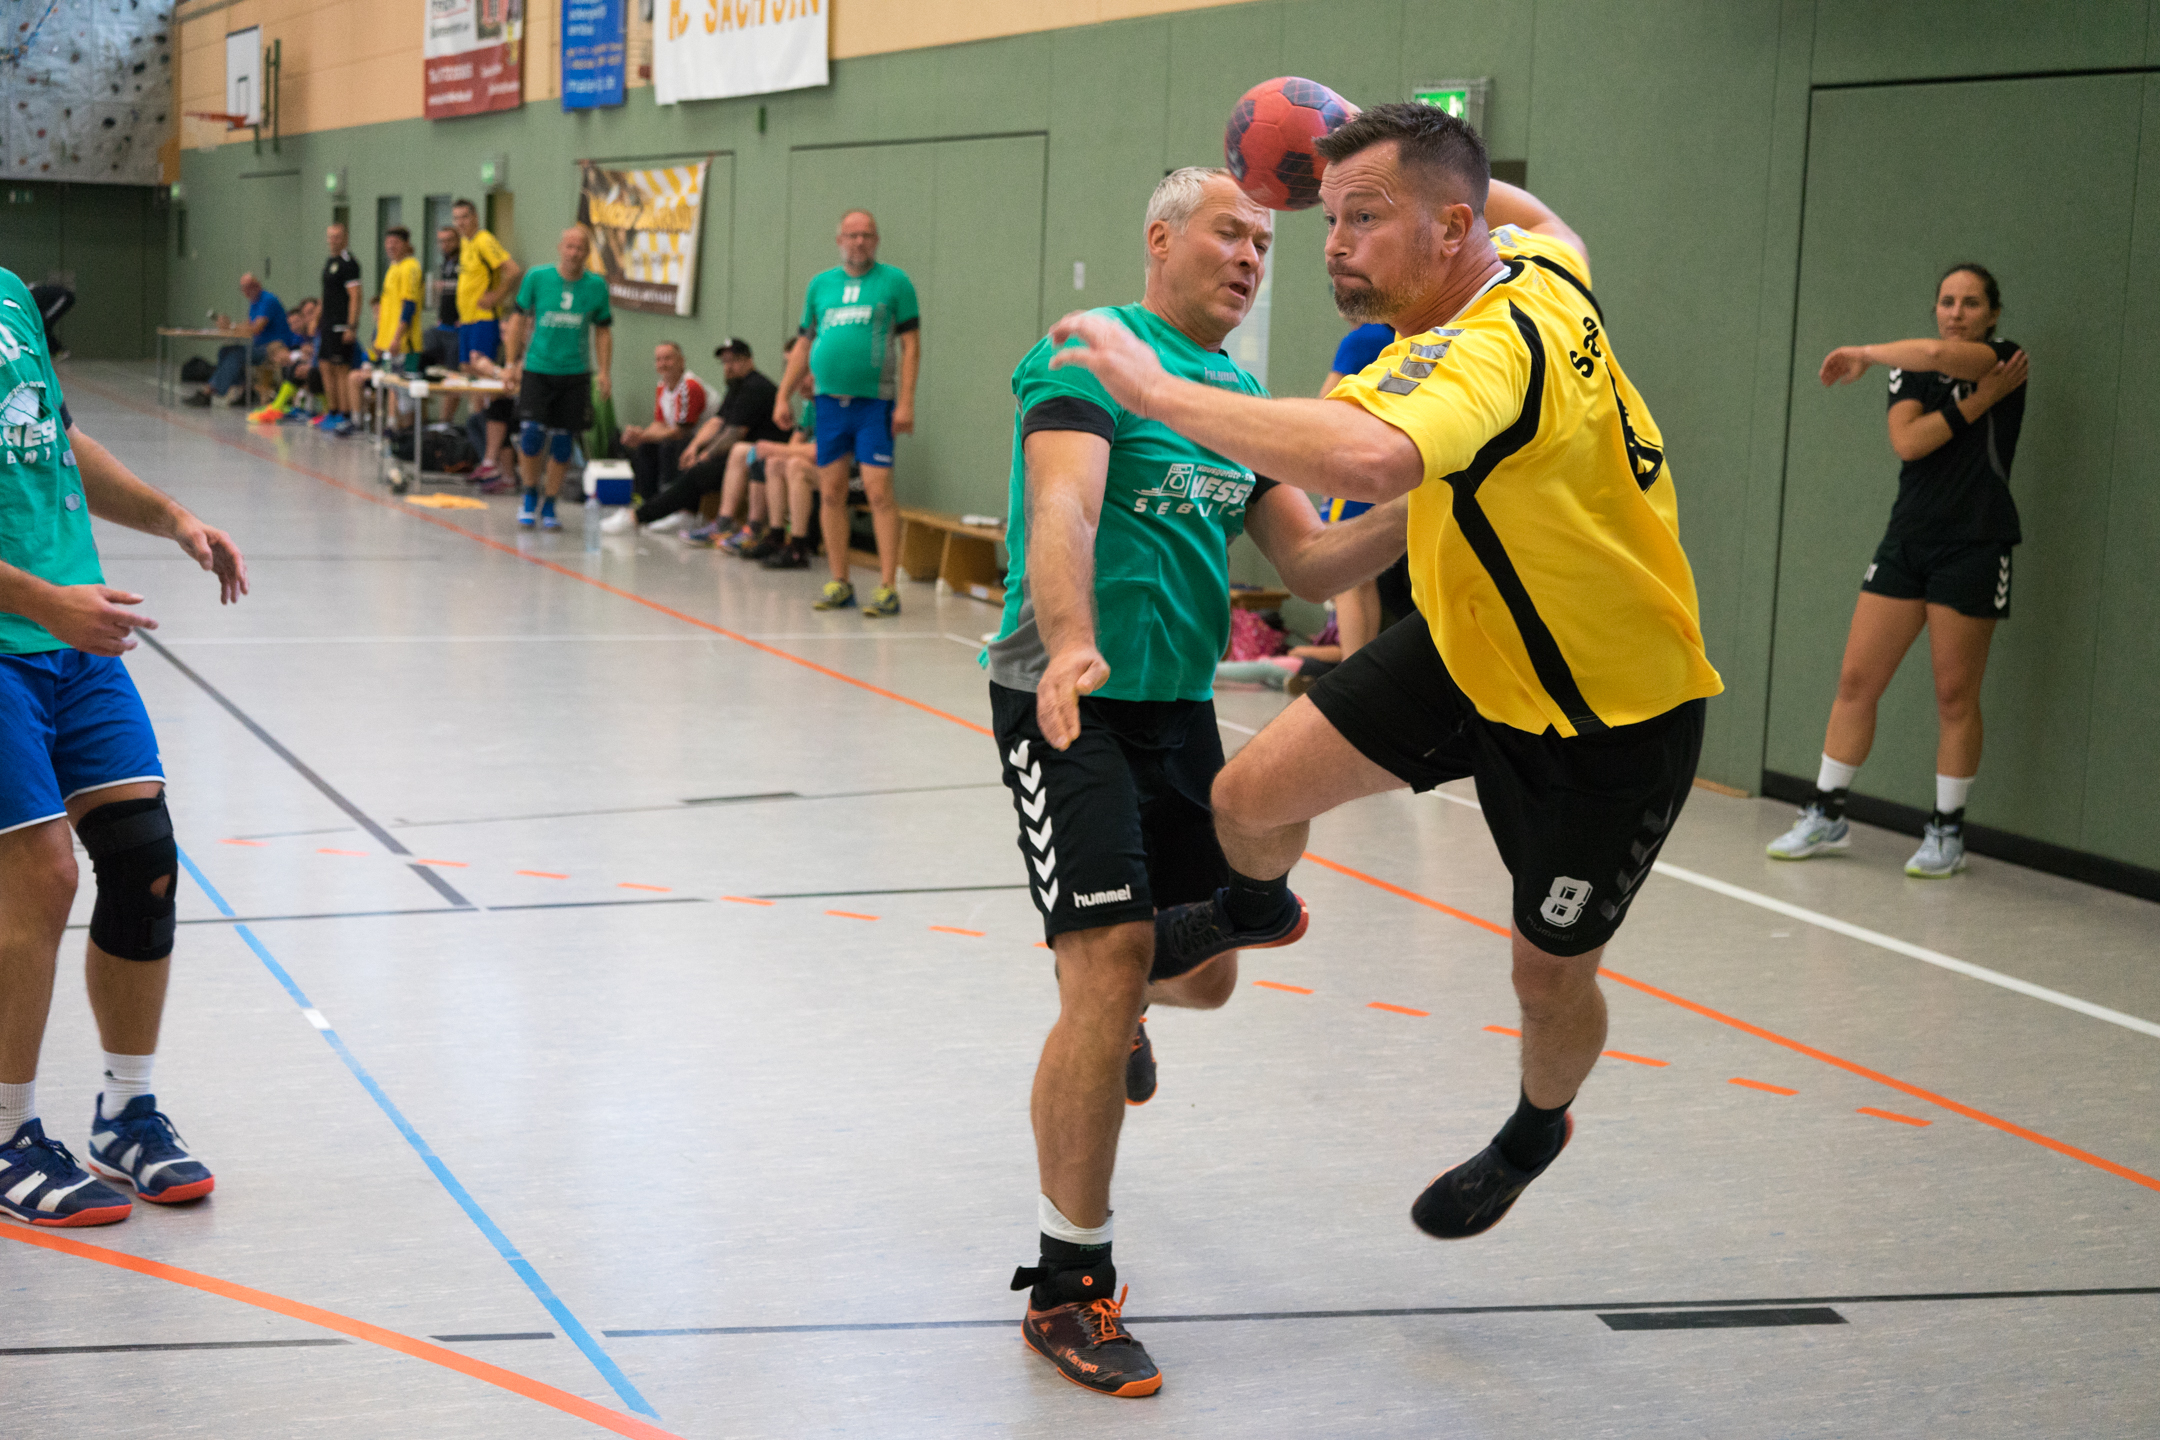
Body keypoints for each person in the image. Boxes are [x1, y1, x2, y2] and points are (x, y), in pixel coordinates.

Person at [1050, 106, 1723, 1264]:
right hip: (1468, 649)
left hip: (1608, 716)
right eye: (1330, 216)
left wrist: (1152, 390)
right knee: (1248, 799)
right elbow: (1536, 209)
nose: (1332, 243)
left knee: (1546, 978)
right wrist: (1371, 145)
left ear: (1450, 229)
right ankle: (1258, 909)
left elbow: (1365, 457)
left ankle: (1536, 1126)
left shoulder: (1488, 353)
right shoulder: (1544, 264)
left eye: (1363, 218)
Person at [986, 167, 1411, 1398]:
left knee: (1205, 974)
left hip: (1178, 708)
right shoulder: (1093, 355)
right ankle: (1068, 1289)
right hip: (1066, 694)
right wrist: (1072, 640)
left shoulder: (1234, 401)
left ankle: (1112, 1000)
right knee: (1111, 962)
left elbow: (1314, 559)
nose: (1251, 258)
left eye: (1265, 246)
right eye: (1230, 234)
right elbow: (1062, 508)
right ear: (1160, 237)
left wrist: (1434, 495)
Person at [0, 263, 249, 1227]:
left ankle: (125, 1113)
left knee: (144, 860)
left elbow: (55, 442)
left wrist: (173, 519)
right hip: (20, 633)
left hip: (75, 635)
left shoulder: (12, 294)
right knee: (41, 876)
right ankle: (8, 1131)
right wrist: (45, 602)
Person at [1768, 265, 2028, 877]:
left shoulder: (2002, 359)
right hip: (1906, 541)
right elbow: (1909, 442)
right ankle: (1826, 812)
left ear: (1992, 315)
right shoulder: (1911, 368)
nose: (1956, 312)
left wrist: (1863, 352)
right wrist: (1980, 403)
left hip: (1975, 545)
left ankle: (1947, 831)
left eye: (1970, 303)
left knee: (1954, 695)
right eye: (1947, 301)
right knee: (1856, 680)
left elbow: (1940, 356)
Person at [773, 210, 921, 616]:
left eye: (866, 235)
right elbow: (804, 344)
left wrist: (906, 401)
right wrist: (783, 395)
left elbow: (911, 346)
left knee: (878, 490)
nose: (859, 242)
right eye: (852, 235)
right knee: (832, 491)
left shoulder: (895, 283)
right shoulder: (820, 285)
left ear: (876, 240)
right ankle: (840, 581)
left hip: (874, 404)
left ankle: (887, 586)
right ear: (839, 240)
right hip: (827, 403)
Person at [603, 338, 782, 535]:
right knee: (658, 448)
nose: (728, 367)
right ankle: (651, 505)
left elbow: (732, 433)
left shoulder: (753, 388)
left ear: (749, 360)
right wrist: (694, 447)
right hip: (733, 451)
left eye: (734, 361)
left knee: (691, 463)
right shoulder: (736, 386)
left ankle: (644, 516)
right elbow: (717, 421)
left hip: (753, 454)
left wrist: (704, 455)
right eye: (725, 362)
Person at [504, 227, 611, 530]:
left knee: (563, 443)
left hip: (575, 373)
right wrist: (511, 363)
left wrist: (604, 372)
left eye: (580, 248)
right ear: (560, 247)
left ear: (587, 253)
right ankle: (529, 494)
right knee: (531, 437)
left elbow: (603, 330)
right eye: (569, 247)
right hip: (538, 369)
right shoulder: (537, 277)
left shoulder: (596, 286)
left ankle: (550, 502)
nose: (574, 253)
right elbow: (518, 319)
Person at [337, 225, 425, 437]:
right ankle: (395, 431)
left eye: (395, 243)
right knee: (394, 386)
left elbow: (409, 306)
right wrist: (381, 340)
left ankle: (404, 432)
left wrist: (396, 338)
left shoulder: (410, 267)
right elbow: (387, 311)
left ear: (406, 244)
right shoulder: (393, 268)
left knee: (404, 391)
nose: (391, 247)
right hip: (388, 344)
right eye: (388, 244)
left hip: (405, 344)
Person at [618, 342, 714, 503]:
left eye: (668, 359)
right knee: (646, 446)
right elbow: (659, 424)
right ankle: (648, 500)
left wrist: (643, 436)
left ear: (681, 361)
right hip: (682, 437)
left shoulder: (690, 386)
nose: (663, 364)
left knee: (668, 445)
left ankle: (670, 499)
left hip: (703, 441)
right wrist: (640, 435)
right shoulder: (662, 386)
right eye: (659, 360)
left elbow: (681, 431)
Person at [186, 274, 294, 408]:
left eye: (247, 288)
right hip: (260, 345)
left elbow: (257, 328)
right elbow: (248, 324)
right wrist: (230, 325)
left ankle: (209, 391)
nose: (245, 292)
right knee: (225, 351)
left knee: (236, 355)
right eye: (243, 289)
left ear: (256, 286)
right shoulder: (255, 302)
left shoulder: (268, 300)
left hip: (273, 347)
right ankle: (246, 390)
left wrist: (231, 327)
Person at [451, 199, 520, 369]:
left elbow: (513, 270)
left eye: (464, 217)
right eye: (456, 218)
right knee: (466, 369)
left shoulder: (484, 240)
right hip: (466, 319)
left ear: (475, 217)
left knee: (481, 369)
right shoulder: (465, 242)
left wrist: (496, 296)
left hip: (483, 319)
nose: (460, 223)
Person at [312, 223, 364, 433]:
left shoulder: (349, 263)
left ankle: (345, 413)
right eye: (330, 237)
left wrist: (351, 326)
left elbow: (355, 296)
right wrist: (316, 318)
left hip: (341, 324)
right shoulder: (330, 262)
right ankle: (332, 411)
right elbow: (326, 295)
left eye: (337, 237)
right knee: (324, 365)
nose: (333, 241)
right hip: (327, 323)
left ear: (345, 238)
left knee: (340, 368)